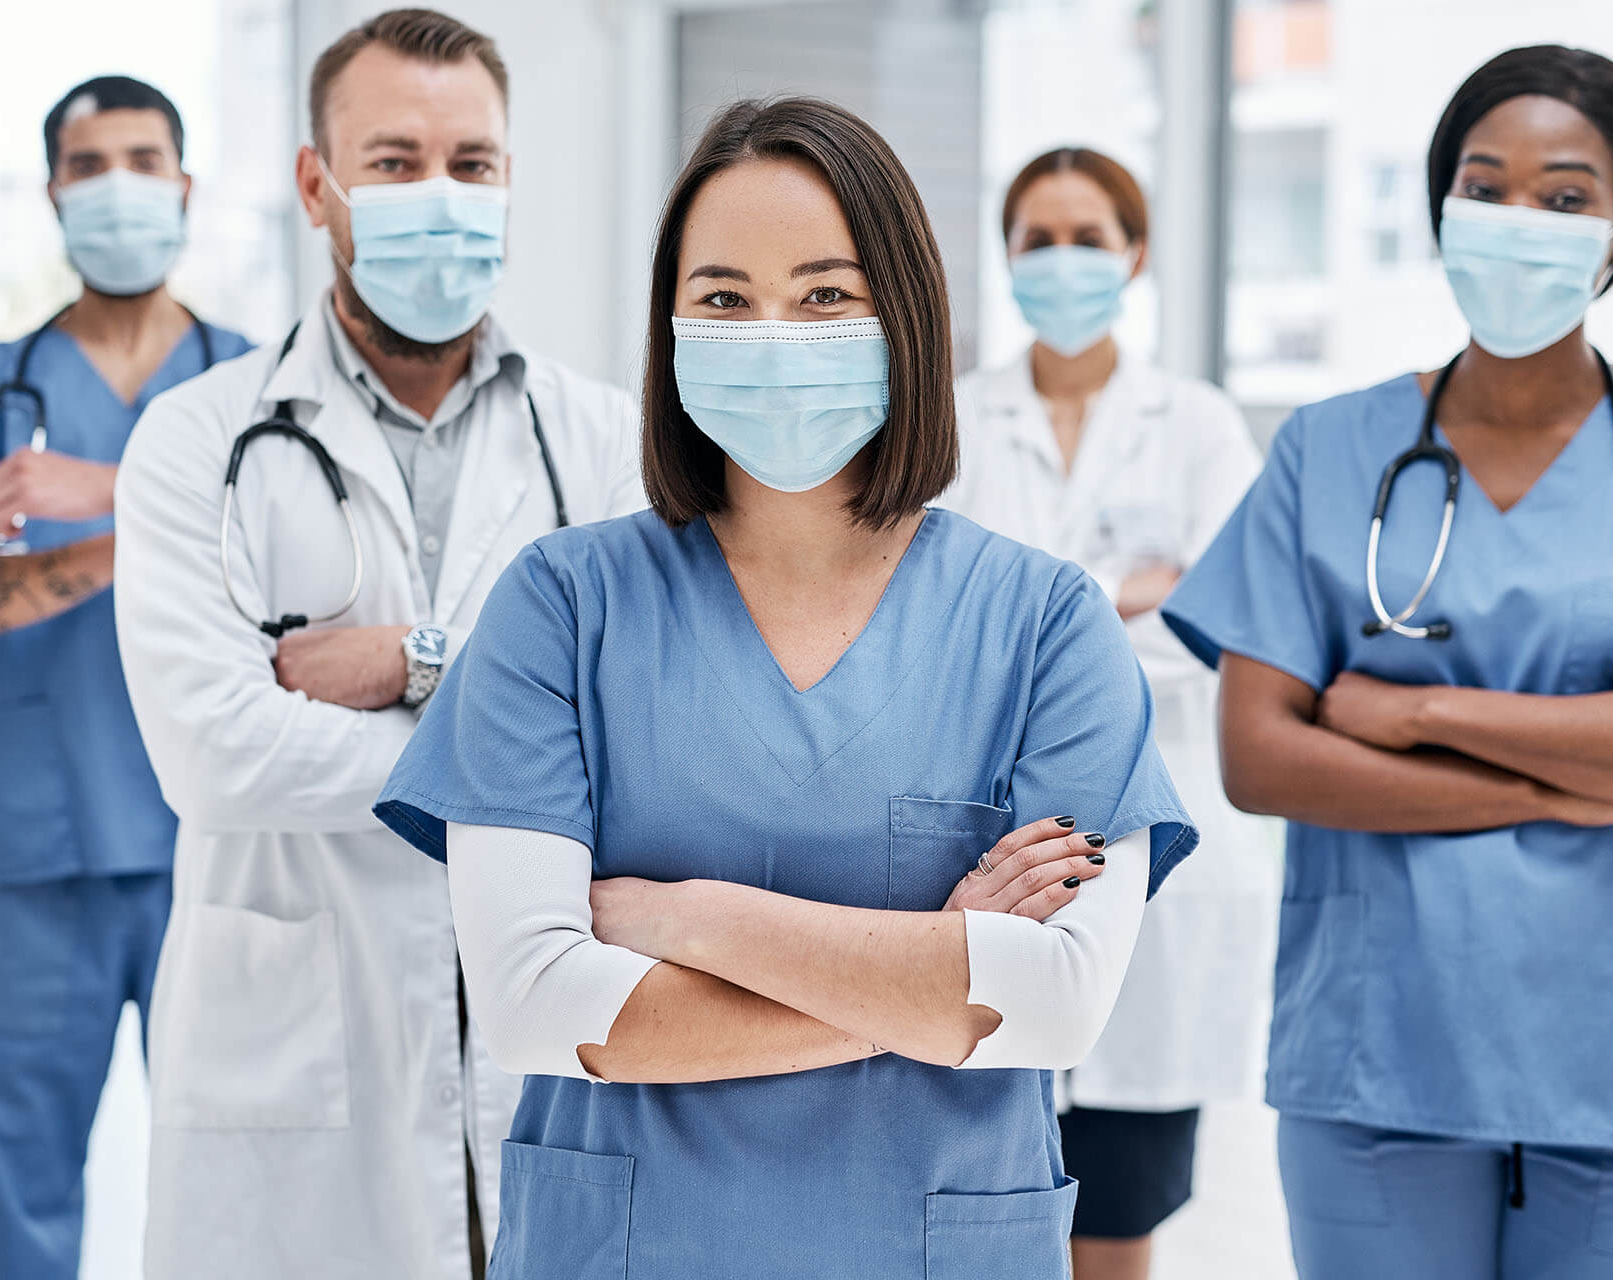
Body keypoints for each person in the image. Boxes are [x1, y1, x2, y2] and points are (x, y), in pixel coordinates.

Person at [372, 95, 1198, 1280]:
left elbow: (1060, 1003)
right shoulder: (560, 604)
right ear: (669, 329)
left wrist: (689, 916)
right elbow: (534, 1002)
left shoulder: (1046, 624)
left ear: (902, 313)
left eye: (823, 295)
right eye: (722, 299)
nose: (771, 335)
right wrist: (942, 968)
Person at [1163, 45, 1613, 1280]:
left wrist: (1418, 713)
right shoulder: (1327, 451)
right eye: (1484, 186)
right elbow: (1260, 754)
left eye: (1563, 197)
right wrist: (1568, 786)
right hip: (1384, 1054)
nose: (1518, 222)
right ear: (1441, 208)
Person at [112, 11, 643, 1279]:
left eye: (472, 163)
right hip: (298, 1067)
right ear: (318, 183)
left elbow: (650, 724)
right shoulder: (198, 443)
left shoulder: (605, 437)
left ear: (510, 180)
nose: (440, 196)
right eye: (395, 162)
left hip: (547, 1050)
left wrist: (414, 658)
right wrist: (524, 726)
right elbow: (219, 756)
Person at [0, 76, 249, 1280]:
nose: (120, 185)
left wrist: (111, 487)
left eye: (144, 158)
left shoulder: (264, 384)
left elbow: (321, 583)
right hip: (36, 856)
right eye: (90, 164)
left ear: (185, 188)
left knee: (249, 1189)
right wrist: (164, 516)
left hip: (228, 849)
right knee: (13, 1208)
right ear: (52, 194)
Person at [946, 146, 1276, 1280]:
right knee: (978, 1188)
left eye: (1090, 236)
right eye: (1039, 238)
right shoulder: (952, 420)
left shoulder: (1196, 422)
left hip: (1154, 842)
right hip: (983, 840)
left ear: (1135, 253)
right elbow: (932, 621)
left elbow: (1230, 616)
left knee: (1119, 1209)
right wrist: (1129, 590)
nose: (1064, 260)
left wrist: (1048, 608)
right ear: (1006, 257)